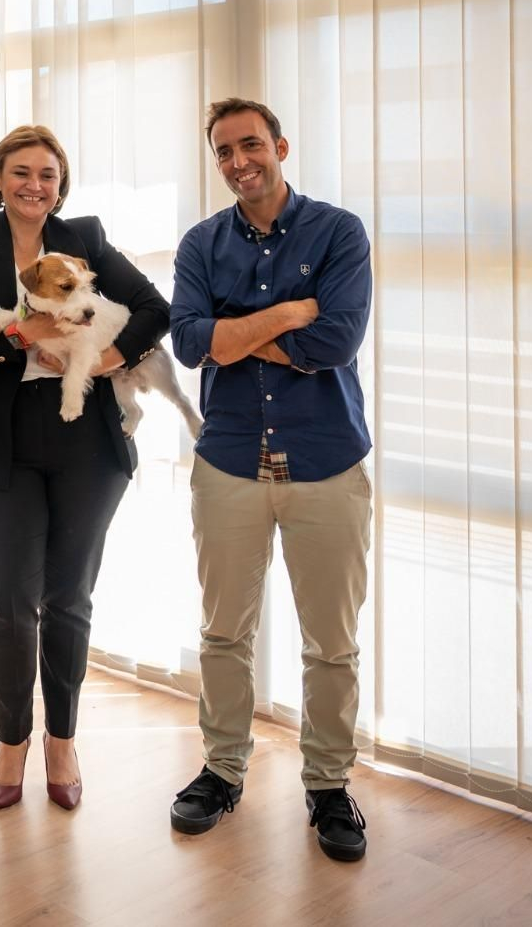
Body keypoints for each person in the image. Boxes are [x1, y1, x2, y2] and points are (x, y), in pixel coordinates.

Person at [0, 125, 170, 810]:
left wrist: (107, 360)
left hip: (84, 436)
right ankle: (11, 742)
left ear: (60, 187)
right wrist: (23, 333)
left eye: (49, 175)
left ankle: (63, 740)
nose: (36, 185)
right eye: (22, 172)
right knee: (8, 600)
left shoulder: (85, 238)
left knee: (69, 597)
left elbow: (155, 310)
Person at [168, 97, 373, 861]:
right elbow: (189, 342)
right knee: (224, 632)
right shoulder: (201, 244)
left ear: (280, 147)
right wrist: (288, 314)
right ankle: (222, 771)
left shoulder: (339, 232)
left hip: (327, 461)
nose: (238, 161)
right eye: (224, 151)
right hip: (229, 460)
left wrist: (233, 334)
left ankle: (328, 785)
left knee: (332, 643)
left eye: (250, 145)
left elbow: (336, 340)